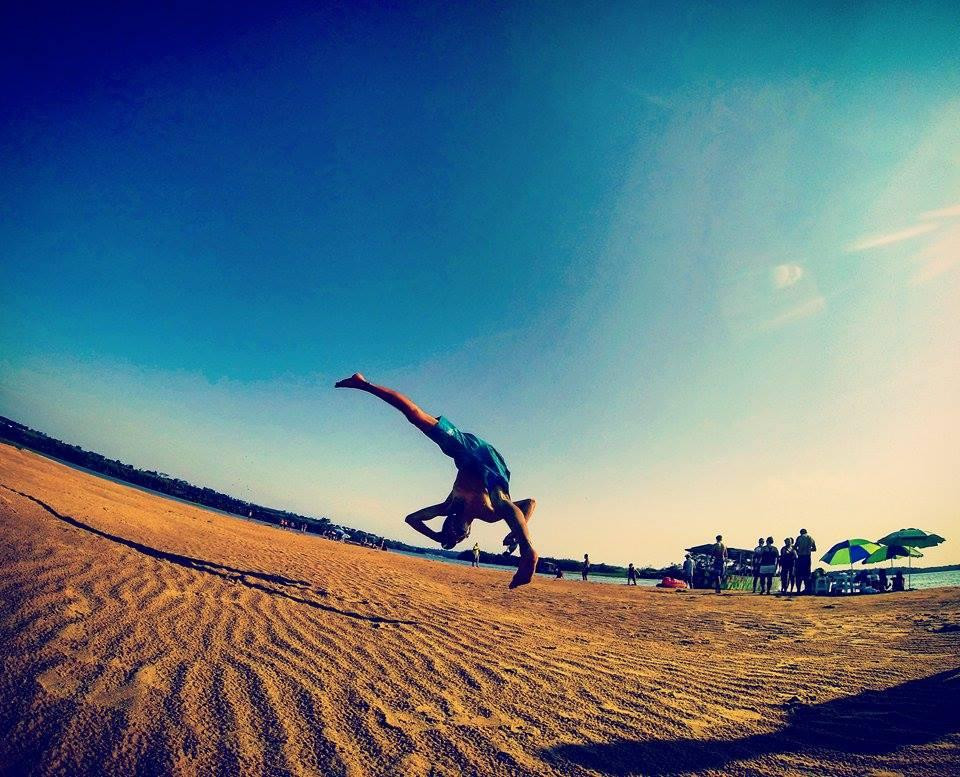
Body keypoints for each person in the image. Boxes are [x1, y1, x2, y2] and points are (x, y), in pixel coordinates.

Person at [335, 372, 538, 588]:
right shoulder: (485, 514)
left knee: (416, 416)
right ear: (467, 533)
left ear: (449, 522)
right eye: (459, 536)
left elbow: (411, 519)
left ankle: (363, 384)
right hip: (483, 462)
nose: (458, 535)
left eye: (453, 533)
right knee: (501, 501)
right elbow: (529, 504)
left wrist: (435, 536)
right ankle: (527, 548)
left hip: (471, 455)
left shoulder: (448, 506)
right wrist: (515, 534)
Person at [793, 528, 817, 594]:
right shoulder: (810, 538)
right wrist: (808, 549)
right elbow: (814, 549)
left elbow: (795, 547)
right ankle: (807, 589)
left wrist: (799, 550)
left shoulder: (799, 538)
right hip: (807, 557)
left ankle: (798, 590)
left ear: (800, 533)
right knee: (807, 574)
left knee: (799, 574)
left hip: (800, 557)